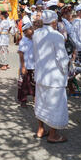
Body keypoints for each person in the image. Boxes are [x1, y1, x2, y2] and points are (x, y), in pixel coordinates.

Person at [33, 10, 69, 143]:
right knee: (55, 105)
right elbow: (62, 58)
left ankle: (40, 129)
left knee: (41, 103)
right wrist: (67, 68)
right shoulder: (57, 36)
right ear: (54, 22)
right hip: (54, 77)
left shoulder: (36, 34)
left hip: (41, 75)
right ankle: (53, 135)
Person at [17, 21, 35, 108]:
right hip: (26, 66)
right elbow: (21, 54)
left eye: (32, 29)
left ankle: (36, 99)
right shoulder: (23, 41)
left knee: (34, 83)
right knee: (24, 84)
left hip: (34, 65)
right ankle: (23, 101)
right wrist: (23, 66)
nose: (32, 31)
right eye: (30, 29)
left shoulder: (36, 39)